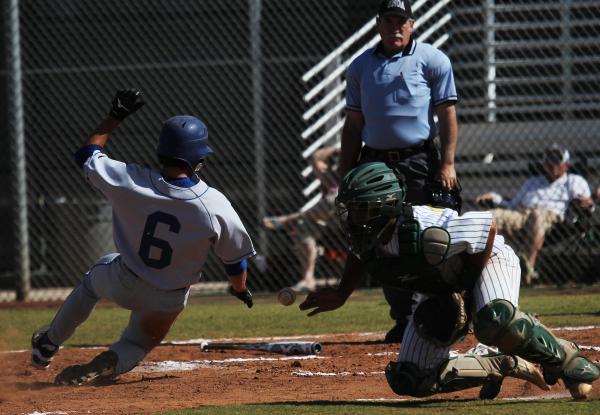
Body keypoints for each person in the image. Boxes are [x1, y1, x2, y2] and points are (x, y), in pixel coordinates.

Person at [300, 162, 600, 400]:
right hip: (445, 284)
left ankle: (567, 360)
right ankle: (494, 363)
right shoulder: (371, 236)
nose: (351, 218)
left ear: (385, 205)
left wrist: (467, 289)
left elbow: (488, 227)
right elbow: (358, 254)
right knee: (411, 378)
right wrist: (341, 293)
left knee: (493, 319)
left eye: (359, 209)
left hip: (487, 260)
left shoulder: (424, 229)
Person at [31, 89, 256, 386]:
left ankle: (48, 343)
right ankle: (112, 361)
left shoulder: (130, 181)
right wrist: (239, 290)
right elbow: (234, 262)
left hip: (124, 280)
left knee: (91, 282)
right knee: (138, 343)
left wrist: (114, 117)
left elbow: (86, 155)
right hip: (169, 298)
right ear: (200, 158)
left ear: (161, 151)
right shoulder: (215, 204)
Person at [338, 0, 461, 342]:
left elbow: (448, 114)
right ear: (378, 23)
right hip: (375, 163)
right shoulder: (360, 66)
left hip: (419, 160)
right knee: (382, 240)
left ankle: (440, 312)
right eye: (389, 20)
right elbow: (353, 124)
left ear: (412, 24)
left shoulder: (433, 60)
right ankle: (404, 318)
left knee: (424, 236)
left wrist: (448, 162)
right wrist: (345, 172)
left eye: (401, 21)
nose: (395, 27)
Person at [475, 144, 594, 284]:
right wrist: (495, 198)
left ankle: (528, 268)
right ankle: (478, 267)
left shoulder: (574, 181)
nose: (551, 163)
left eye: (556, 159)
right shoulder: (533, 182)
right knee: (489, 216)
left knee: (536, 214)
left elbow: (587, 205)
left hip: (552, 220)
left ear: (566, 164)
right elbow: (512, 206)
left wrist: (587, 204)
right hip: (521, 215)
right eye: (548, 159)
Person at [262, 146, 341, 292]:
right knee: (303, 226)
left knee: (335, 199)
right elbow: (316, 157)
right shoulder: (331, 178)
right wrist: (338, 149)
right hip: (328, 218)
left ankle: (286, 220)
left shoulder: (360, 173)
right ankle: (308, 279)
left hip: (354, 217)